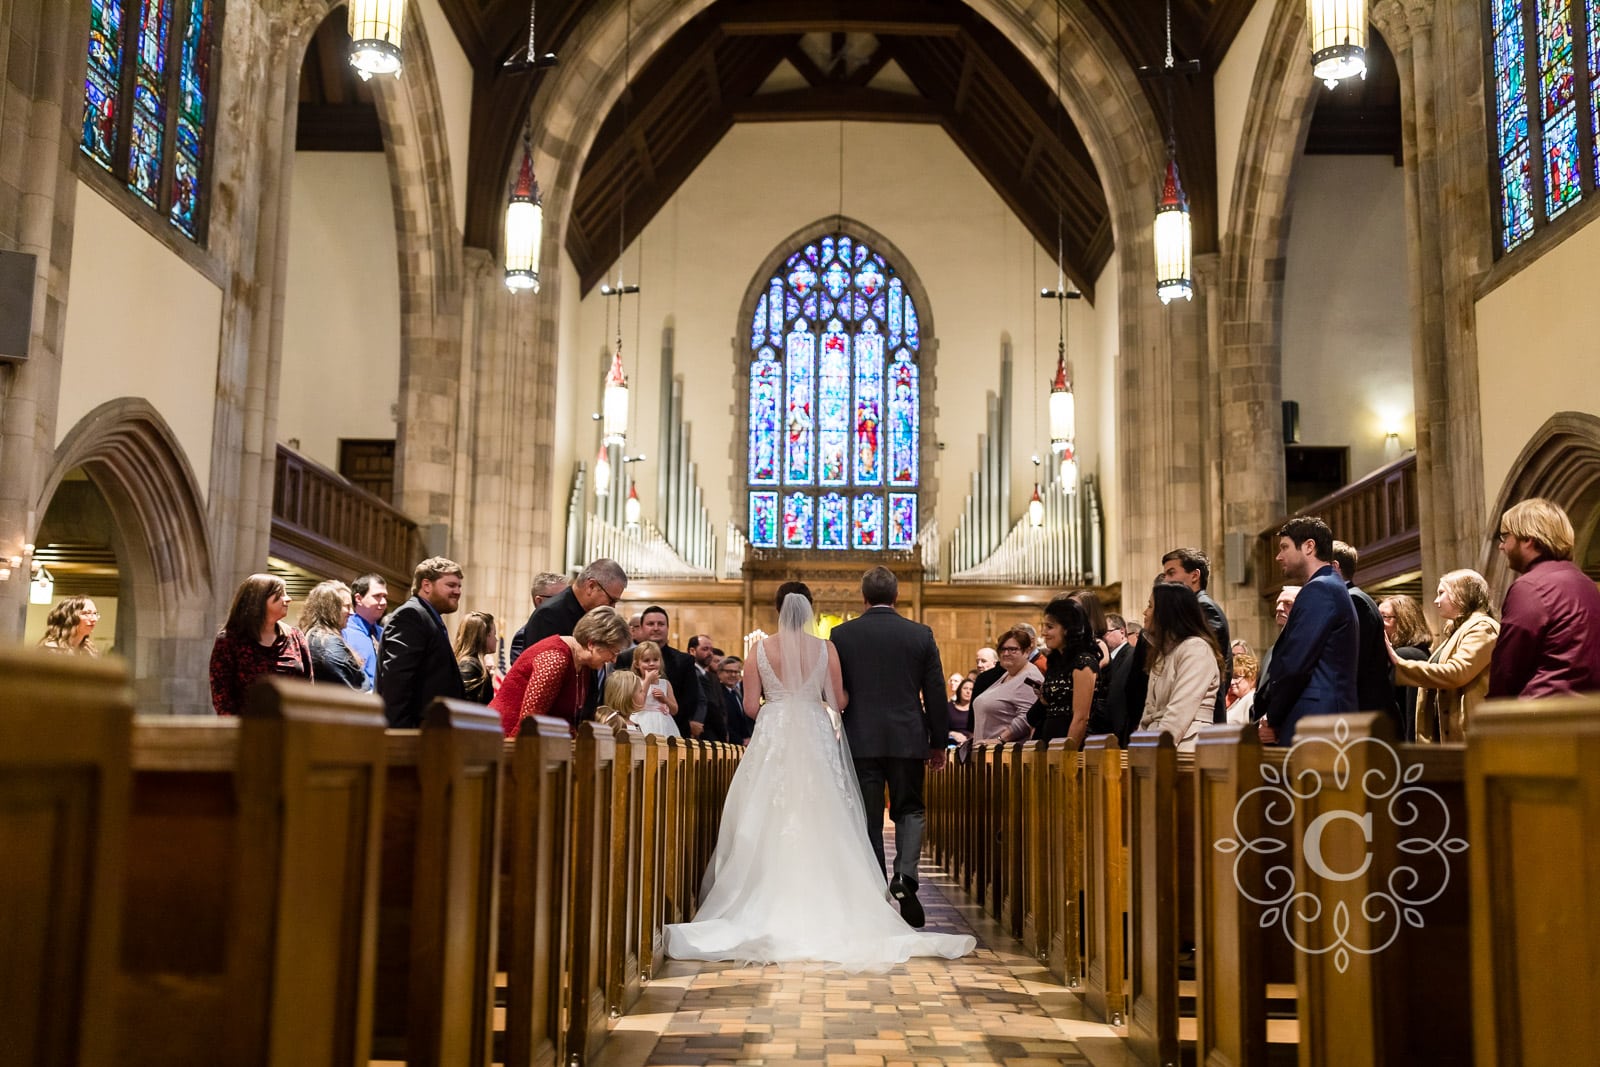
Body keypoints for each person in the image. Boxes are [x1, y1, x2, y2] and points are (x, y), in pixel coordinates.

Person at [665, 582, 974, 968]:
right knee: (825, 812)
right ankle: (845, 897)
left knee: (768, 813)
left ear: (777, 608)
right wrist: (811, 703)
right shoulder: (826, 647)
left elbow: (747, 706)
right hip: (814, 729)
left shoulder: (758, 649)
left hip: (775, 730)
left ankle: (763, 895)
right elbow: (838, 700)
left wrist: (777, 713)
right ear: (810, 609)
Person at [830, 568, 951, 929]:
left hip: (861, 738)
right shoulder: (919, 634)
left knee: (867, 817)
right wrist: (938, 741)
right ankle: (906, 877)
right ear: (896, 597)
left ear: (863, 598)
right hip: (907, 737)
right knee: (909, 809)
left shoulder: (841, 635)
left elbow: (836, 694)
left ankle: (875, 887)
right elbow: (935, 693)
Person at [1256, 516, 1358, 746]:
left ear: (1309, 546)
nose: (1278, 556)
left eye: (1284, 547)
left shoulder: (1320, 589)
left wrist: (1273, 717)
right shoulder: (1330, 585)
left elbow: (1295, 663)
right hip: (1323, 716)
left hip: (1316, 719)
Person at [1488, 498, 1600, 698]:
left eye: (1505, 537)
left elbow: (1508, 667)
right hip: (1586, 714)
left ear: (1528, 540)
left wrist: (1493, 712)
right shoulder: (1587, 584)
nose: (1501, 547)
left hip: (1541, 715)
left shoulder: (1530, 586)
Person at [1390, 570, 1499, 743]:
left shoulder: (1482, 628)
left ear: (1461, 594)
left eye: (1441, 593)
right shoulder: (1459, 630)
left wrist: (1400, 665)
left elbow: (1457, 673)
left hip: (1469, 736)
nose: (1436, 601)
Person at [491, 606, 631, 737]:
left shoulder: (585, 664)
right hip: (505, 739)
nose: (613, 660)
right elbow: (529, 722)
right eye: (614, 652)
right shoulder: (555, 659)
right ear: (591, 644)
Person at [376, 557, 467, 728]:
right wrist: (401, 736)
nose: (457, 591)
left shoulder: (428, 617)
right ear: (426, 585)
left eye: (459, 586)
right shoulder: (411, 616)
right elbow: (397, 683)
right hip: (413, 735)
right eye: (451, 585)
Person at [1138, 582, 1225, 751]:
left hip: (1185, 745)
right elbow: (1148, 711)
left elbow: (1180, 711)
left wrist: (1156, 750)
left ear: (1167, 612)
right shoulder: (1163, 653)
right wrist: (1138, 748)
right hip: (1158, 741)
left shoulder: (1196, 649)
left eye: (1150, 606)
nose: (1145, 612)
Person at [209, 574, 312, 716]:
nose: (288, 599)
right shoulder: (229, 641)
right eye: (281, 594)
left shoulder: (295, 636)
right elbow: (222, 698)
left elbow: (308, 686)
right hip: (248, 731)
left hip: (292, 729)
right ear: (259, 600)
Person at [1331, 541, 1398, 731]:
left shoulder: (1354, 600)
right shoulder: (1353, 597)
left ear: (1335, 567)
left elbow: (1355, 661)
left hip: (1366, 711)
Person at [1161, 547, 1232, 723]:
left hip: (1201, 716)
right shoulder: (1193, 609)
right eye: (1165, 575)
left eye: (1171, 573)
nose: (1166, 581)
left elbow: (1199, 662)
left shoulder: (1205, 609)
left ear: (1194, 576)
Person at [513, 559, 628, 663]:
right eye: (611, 600)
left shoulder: (589, 614)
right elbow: (541, 670)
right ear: (591, 586)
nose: (612, 607)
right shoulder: (549, 615)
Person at [1024, 595, 1100, 746]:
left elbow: (1081, 718)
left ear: (1068, 629)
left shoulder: (1083, 662)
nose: (1044, 633)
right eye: (1044, 626)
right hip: (1050, 739)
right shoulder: (1055, 661)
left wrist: (1066, 754)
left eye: (1050, 627)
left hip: (1070, 744)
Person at [616, 607, 701, 736]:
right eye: (650, 624)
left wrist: (665, 714)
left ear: (667, 628)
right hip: (635, 724)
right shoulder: (626, 658)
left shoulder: (684, 660)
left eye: (661, 624)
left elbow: (690, 699)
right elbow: (620, 696)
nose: (656, 628)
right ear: (641, 627)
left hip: (672, 726)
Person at [969, 626, 1042, 742]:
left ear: (1027, 651)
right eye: (1002, 649)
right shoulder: (1008, 674)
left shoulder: (1031, 677)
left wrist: (999, 739)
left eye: (1012, 649)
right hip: (987, 751)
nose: (1006, 653)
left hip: (1007, 753)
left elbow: (1027, 718)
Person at [1379, 594, 1433, 740]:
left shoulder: (1407, 655)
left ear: (1404, 621)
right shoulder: (1416, 652)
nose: (1378, 622)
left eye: (1384, 617)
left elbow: (1412, 713)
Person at [299, 580, 367, 691]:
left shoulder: (315, 635)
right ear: (331, 609)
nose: (352, 612)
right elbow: (352, 689)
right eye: (347, 606)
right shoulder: (326, 642)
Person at [1089, 612, 1141, 744]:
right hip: (1103, 729)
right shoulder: (1105, 659)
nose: (1102, 638)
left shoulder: (1132, 656)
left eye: (1106, 632)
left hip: (1121, 731)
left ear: (1122, 632)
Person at [507, 572, 571, 663]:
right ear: (539, 601)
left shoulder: (569, 630)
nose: (565, 603)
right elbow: (523, 673)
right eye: (559, 598)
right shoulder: (523, 636)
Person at [343, 574, 387, 690]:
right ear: (358, 599)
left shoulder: (384, 633)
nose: (383, 602)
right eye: (377, 596)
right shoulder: (344, 631)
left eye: (384, 596)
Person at [604, 669, 677, 738]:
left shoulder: (636, 725)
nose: (643, 694)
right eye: (640, 691)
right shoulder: (614, 725)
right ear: (628, 696)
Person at [454, 610, 499, 704]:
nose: (496, 639)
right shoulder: (468, 667)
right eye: (494, 634)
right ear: (484, 636)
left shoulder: (475, 665)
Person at [689, 634, 728, 741]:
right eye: (705, 649)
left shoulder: (713, 677)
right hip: (697, 732)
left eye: (711, 649)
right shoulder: (689, 672)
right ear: (692, 651)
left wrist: (724, 730)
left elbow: (720, 706)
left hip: (716, 733)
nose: (710, 653)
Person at [631, 640, 680, 724]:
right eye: (646, 661)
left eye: (655, 660)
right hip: (642, 721)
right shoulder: (636, 681)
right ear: (637, 664)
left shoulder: (665, 683)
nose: (652, 664)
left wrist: (665, 699)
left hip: (663, 722)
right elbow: (638, 705)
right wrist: (647, 681)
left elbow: (674, 710)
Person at [718, 656, 752, 746]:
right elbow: (722, 722)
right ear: (719, 673)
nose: (733, 675)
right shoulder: (718, 693)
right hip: (728, 743)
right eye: (729, 671)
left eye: (736, 672)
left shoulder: (737, 693)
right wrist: (740, 740)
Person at [1226, 653, 1260, 725]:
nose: (1231, 682)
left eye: (1236, 677)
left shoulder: (1251, 699)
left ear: (1252, 677)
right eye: (1231, 677)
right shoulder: (1240, 699)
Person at [948, 675, 975, 743]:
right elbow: (940, 729)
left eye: (971, 689)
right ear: (959, 690)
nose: (968, 691)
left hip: (972, 743)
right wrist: (952, 734)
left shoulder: (976, 709)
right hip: (952, 743)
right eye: (965, 688)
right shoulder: (949, 707)